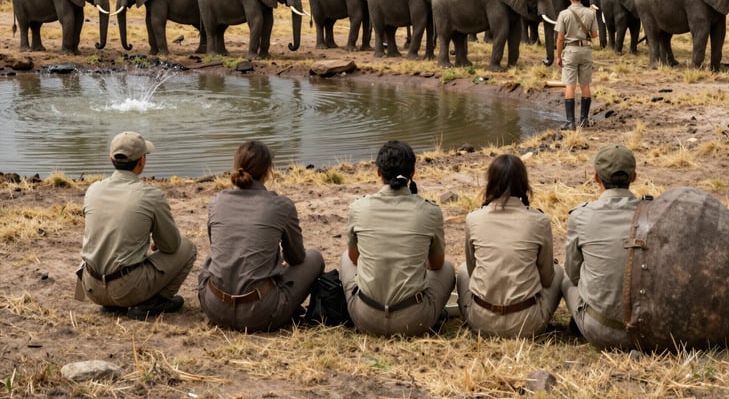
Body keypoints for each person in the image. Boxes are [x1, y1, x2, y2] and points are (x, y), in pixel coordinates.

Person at [198, 140, 324, 332]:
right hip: (261, 313)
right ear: (267, 172)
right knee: (315, 257)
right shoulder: (281, 205)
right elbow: (297, 257)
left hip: (214, 307)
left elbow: (220, 248)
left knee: (212, 258)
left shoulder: (216, 201)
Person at [76, 131, 197, 320]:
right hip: (126, 289)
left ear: (111, 159)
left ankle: (110, 304)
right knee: (187, 247)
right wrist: (157, 240)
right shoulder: (151, 196)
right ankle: (154, 302)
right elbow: (171, 246)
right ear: (142, 161)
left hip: (91, 288)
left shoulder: (93, 189)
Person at [340, 140, 455, 336]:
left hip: (366, 318)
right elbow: (436, 265)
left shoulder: (358, 208)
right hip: (414, 321)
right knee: (448, 268)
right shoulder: (430, 211)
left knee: (345, 257)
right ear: (412, 173)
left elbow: (354, 258)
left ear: (378, 172)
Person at [456, 154, 563, 337]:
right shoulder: (539, 221)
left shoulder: (473, 219)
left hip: (481, 321)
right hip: (527, 324)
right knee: (559, 272)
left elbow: (473, 271)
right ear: (524, 183)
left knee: (463, 270)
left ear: (490, 182)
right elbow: (547, 279)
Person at [561, 143, 641, 350]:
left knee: (563, 279)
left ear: (596, 177)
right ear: (634, 177)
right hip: (647, 328)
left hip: (600, 330)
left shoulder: (580, 215)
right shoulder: (654, 213)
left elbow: (573, 273)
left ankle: (580, 321)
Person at [554, 0, 598, 130]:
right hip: (586, 50)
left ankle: (570, 122)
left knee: (570, 86)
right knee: (585, 85)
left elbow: (560, 39)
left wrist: (558, 56)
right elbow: (594, 35)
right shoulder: (591, 13)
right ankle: (584, 120)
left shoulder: (564, 14)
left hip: (571, 51)